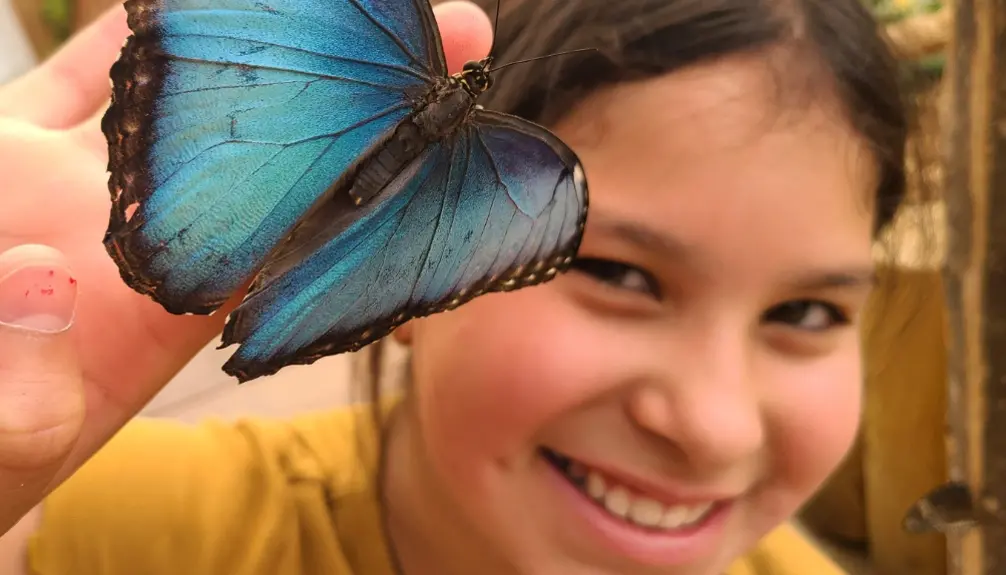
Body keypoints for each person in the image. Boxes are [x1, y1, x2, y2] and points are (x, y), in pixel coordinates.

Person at [0, 0, 908, 573]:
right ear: (423, 316)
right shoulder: (117, 530)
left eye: (804, 311)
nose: (713, 425)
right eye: (619, 273)